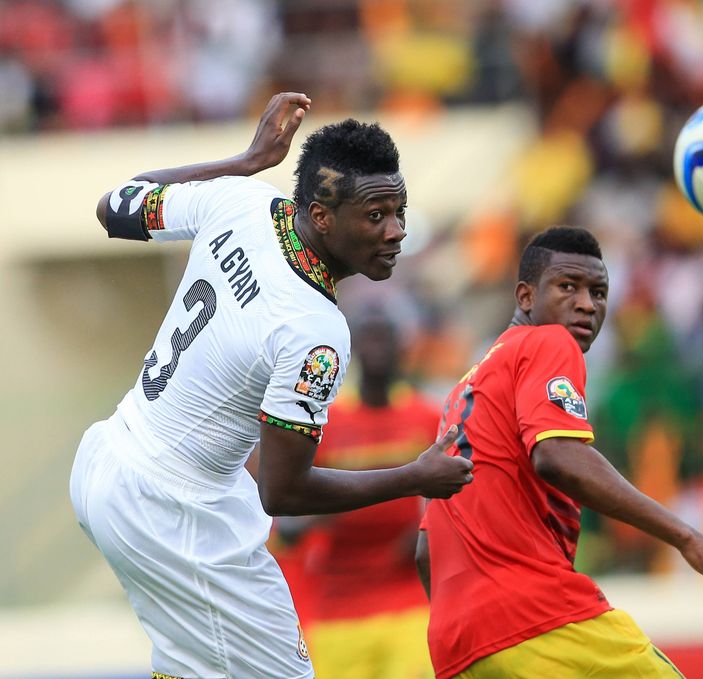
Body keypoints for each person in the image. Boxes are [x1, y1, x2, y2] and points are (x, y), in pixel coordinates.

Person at [69, 92, 474, 679]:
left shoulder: (240, 199)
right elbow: (282, 492)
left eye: (398, 211)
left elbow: (115, 207)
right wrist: (415, 477)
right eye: (375, 215)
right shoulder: (315, 330)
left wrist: (244, 162)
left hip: (109, 458)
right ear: (321, 216)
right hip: (176, 507)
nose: (395, 232)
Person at [416, 226, 703, 679]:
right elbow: (559, 457)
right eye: (568, 287)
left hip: (460, 646)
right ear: (526, 296)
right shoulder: (547, 342)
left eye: (598, 292)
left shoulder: (465, 390)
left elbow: (426, 549)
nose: (587, 303)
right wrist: (688, 537)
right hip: (539, 620)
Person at [273, 309, 438, 679]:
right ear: (353, 349)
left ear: (402, 348)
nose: (378, 348)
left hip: (407, 597)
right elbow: (285, 514)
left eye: (386, 338)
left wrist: (430, 526)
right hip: (337, 603)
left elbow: (453, 494)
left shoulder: (425, 416)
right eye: (369, 338)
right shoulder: (325, 421)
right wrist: (326, 512)